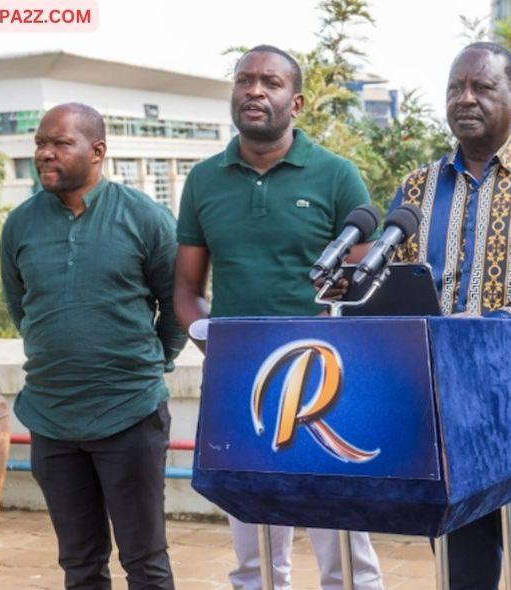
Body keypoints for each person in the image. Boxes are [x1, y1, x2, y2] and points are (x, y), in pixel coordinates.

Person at [172, 45, 383, 590]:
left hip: (325, 384)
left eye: (270, 82)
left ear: (298, 101)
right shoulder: (203, 181)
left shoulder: (336, 176)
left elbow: (367, 286)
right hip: (244, 386)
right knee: (254, 558)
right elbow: (187, 291)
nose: (255, 91)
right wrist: (221, 350)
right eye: (245, 80)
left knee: (344, 555)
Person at [388, 42, 511, 589]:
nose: (466, 98)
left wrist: (469, 335)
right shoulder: (415, 189)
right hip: (448, 422)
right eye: (456, 87)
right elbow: (397, 291)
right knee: (463, 576)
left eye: (482, 87)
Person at [0, 103, 185, 589]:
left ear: (97, 151)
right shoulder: (20, 224)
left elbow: (178, 303)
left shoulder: (145, 217)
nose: (45, 153)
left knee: (145, 560)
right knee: (78, 564)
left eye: (60, 143)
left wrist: (151, 364)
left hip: (129, 414)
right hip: (52, 418)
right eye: (41, 143)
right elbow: (22, 308)